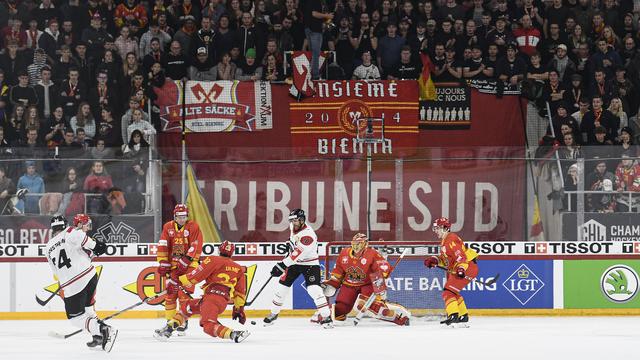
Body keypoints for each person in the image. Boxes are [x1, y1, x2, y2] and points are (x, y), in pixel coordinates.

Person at [44, 214, 118, 352]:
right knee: (88, 308)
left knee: (75, 318)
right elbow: (92, 245)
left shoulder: (48, 247)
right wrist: (97, 247)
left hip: (73, 284)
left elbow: (55, 272)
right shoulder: (71, 232)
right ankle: (98, 336)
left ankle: (103, 329)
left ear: (52, 229)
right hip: (90, 275)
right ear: (65, 225)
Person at [154, 240, 250, 343]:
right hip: (221, 301)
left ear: (219, 250)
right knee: (187, 307)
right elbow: (240, 293)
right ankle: (168, 329)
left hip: (211, 299)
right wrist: (238, 309)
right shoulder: (239, 268)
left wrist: (176, 281)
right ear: (232, 253)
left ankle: (233, 334)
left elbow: (196, 275)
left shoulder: (213, 259)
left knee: (208, 326)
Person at [322, 232, 410, 326]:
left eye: (359, 243)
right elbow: (338, 274)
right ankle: (323, 314)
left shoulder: (371, 254)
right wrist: (331, 284)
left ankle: (397, 316)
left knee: (366, 306)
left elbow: (383, 268)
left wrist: (383, 272)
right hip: (349, 285)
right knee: (340, 310)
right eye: (355, 243)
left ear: (365, 244)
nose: (356, 246)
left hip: (367, 284)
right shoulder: (344, 253)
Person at [263, 209, 332, 328]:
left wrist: (281, 265)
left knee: (314, 290)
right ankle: (273, 313)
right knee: (281, 289)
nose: (293, 223)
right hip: (294, 263)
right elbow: (294, 244)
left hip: (310, 264)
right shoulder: (292, 226)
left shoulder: (308, 235)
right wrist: (290, 244)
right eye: (292, 220)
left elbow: (298, 254)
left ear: (302, 220)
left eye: (295, 220)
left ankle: (326, 317)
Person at [155, 204, 203, 336]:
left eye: (184, 216)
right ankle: (170, 322)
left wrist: (187, 259)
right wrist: (163, 262)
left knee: (183, 295)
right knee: (170, 295)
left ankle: (182, 321)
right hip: (173, 265)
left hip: (190, 266)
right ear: (175, 216)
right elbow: (163, 244)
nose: (182, 219)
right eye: (179, 217)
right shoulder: (168, 227)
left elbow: (196, 244)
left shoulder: (193, 226)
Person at [424, 217, 479, 327]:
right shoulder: (445, 241)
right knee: (452, 292)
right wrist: (435, 260)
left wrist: (461, 268)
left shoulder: (451, 239)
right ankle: (463, 316)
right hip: (466, 266)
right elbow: (446, 261)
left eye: (437, 228)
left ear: (445, 228)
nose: (435, 231)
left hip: (467, 266)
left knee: (448, 292)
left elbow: (461, 257)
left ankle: (453, 315)